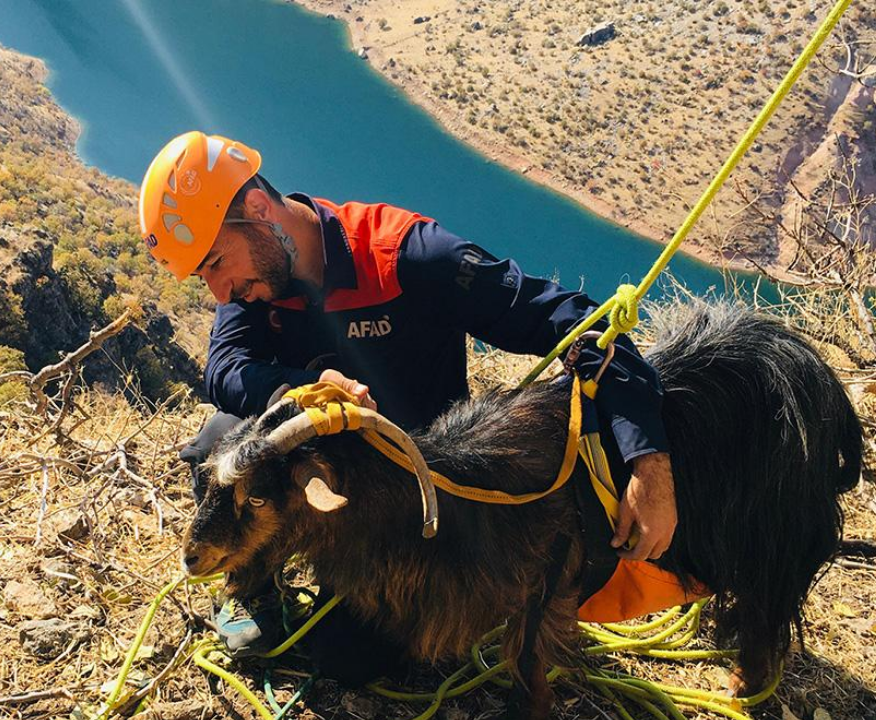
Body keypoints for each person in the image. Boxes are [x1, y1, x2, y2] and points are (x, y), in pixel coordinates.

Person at [138, 130, 677, 655]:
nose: (218, 291)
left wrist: (647, 459)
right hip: (320, 480)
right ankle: (250, 585)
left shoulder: (408, 256)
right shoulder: (253, 284)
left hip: (416, 486)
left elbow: (573, 323)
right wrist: (302, 393)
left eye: (214, 262)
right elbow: (225, 367)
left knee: (352, 653)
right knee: (219, 441)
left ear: (258, 210)